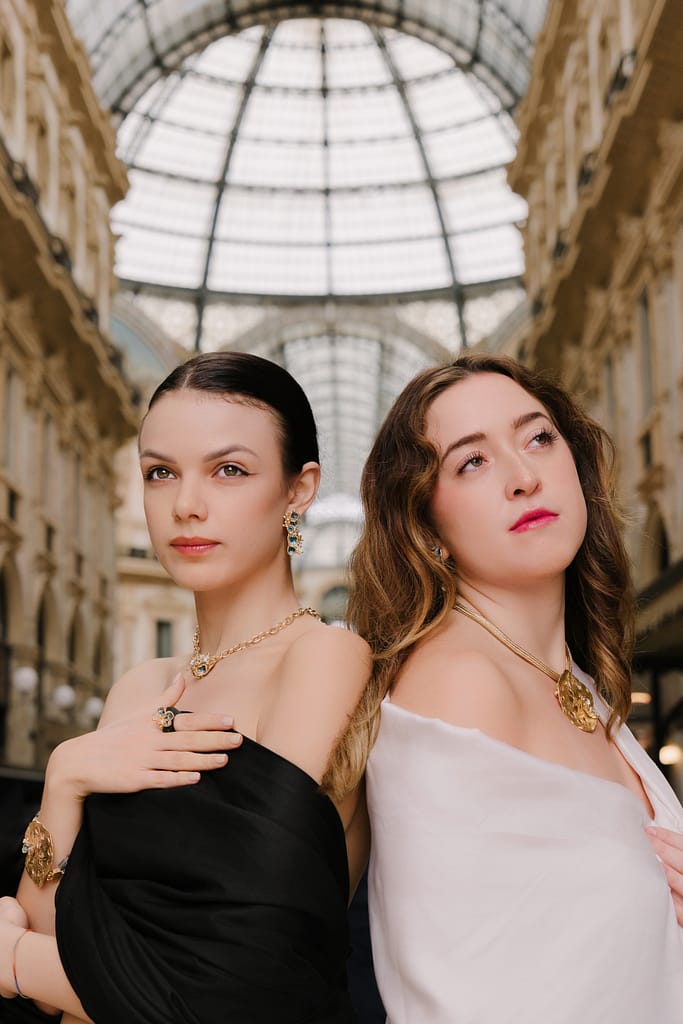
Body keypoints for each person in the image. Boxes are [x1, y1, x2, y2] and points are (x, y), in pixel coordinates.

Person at [0, 352, 372, 1023]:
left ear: (299, 489)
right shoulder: (138, 688)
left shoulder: (324, 657)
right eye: (160, 472)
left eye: (229, 470)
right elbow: (50, 967)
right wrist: (64, 779)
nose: (185, 506)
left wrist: (15, 962)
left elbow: (230, 993)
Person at [348, 352, 683, 1023]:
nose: (524, 477)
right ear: (425, 525)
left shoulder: (574, 680)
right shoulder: (460, 686)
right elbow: (460, 1003)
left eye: (537, 438)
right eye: (472, 461)